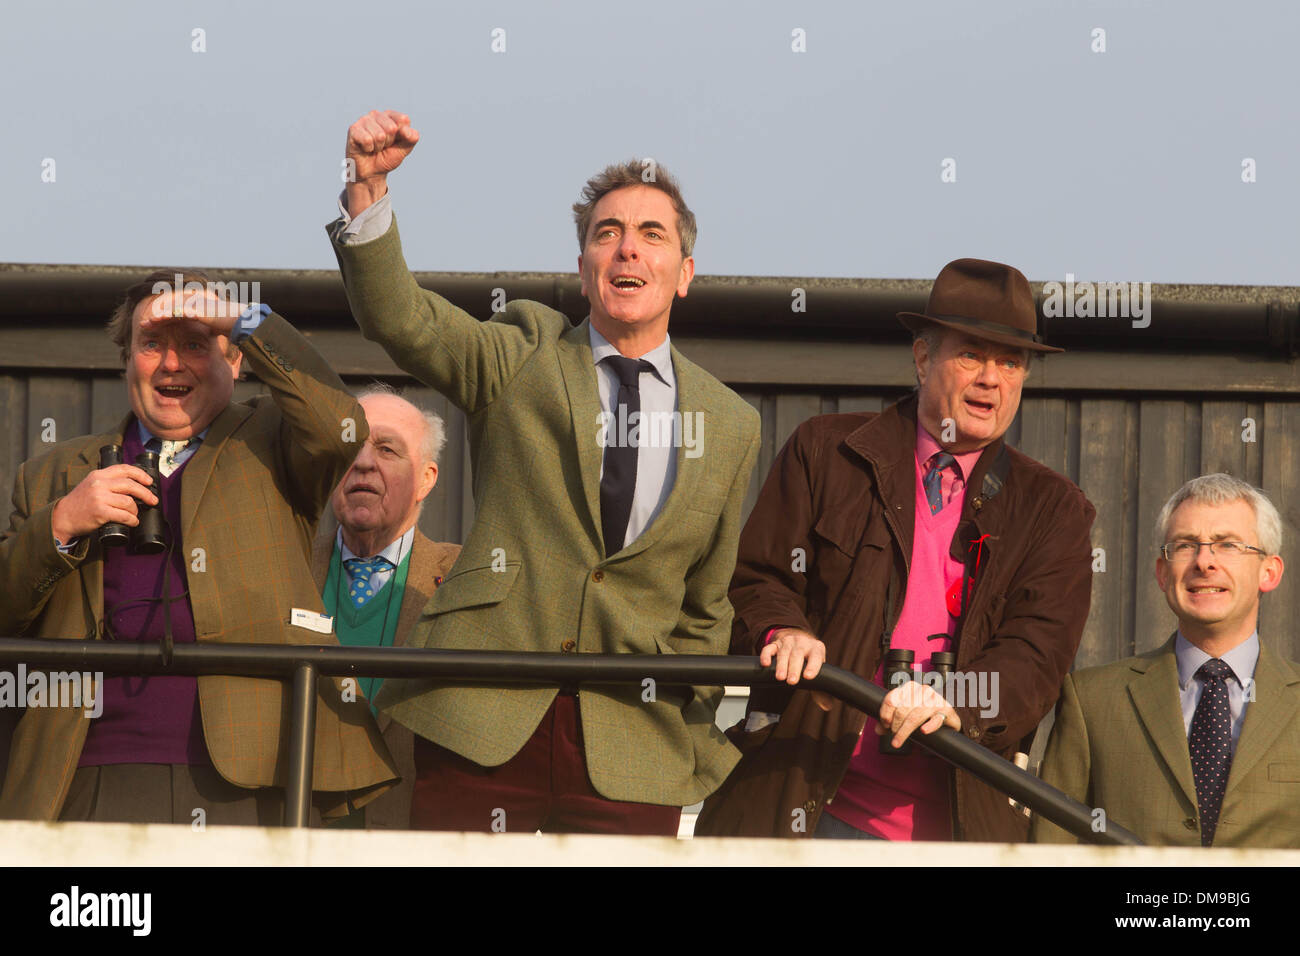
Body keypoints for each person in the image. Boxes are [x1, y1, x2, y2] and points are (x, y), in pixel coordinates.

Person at [325, 110, 760, 835]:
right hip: (481, 719)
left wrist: (685, 730)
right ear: (583, 266)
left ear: (684, 274)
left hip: (633, 744)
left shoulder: (732, 422)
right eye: (607, 233)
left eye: (652, 235)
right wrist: (366, 191)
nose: (628, 250)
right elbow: (405, 321)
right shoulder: (523, 352)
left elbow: (707, 608)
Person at [696, 258, 1096, 841]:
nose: (992, 378)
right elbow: (757, 581)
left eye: (1011, 362)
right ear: (922, 357)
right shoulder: (825, 452)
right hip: (803, 805)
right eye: (972, 355)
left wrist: (957, 701)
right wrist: (783, 629)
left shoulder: (1055, 509)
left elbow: (1037, 655)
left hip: (962, 833)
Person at [0, 272, 397, 823]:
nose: (171, 363)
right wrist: (62, 524)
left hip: (255, 768)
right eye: (152, 343)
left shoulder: (274, 440)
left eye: (195, 342)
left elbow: (341, 430)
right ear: (126, 359)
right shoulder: (53, 473)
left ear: (235, 361)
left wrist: (242, 319)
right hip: (88, 770)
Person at [1033, 474, 1299, 847]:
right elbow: (1053, 848)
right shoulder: (1091, 701)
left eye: (1227, 545)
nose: (1204, 562)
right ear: (1162, 572)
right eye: (1186, 545)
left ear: (1269, 572)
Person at [311, 387, 462, 829]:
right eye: (351, 445)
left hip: (415, 832)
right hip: (298, 828)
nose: (362, 462)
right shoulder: (287, 564)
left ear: (427, 479)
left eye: (387, 449)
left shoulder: (462, 577)